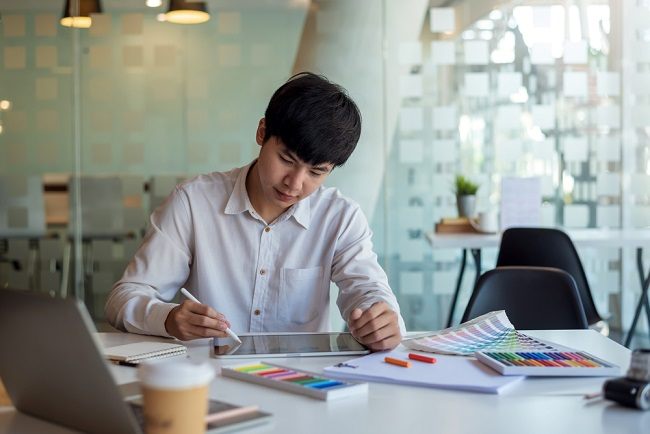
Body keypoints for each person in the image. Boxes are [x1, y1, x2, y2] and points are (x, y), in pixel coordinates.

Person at [105, 72, 405, 350]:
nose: (295, 183)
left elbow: (369, 291)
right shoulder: (193, 203)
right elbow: (124, 298)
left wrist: (382, 320)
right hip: (211, 378)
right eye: (286, 159)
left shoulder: (340, 218)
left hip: (301, 386)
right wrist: (167, 318)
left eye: (316, 172)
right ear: (262, 132)